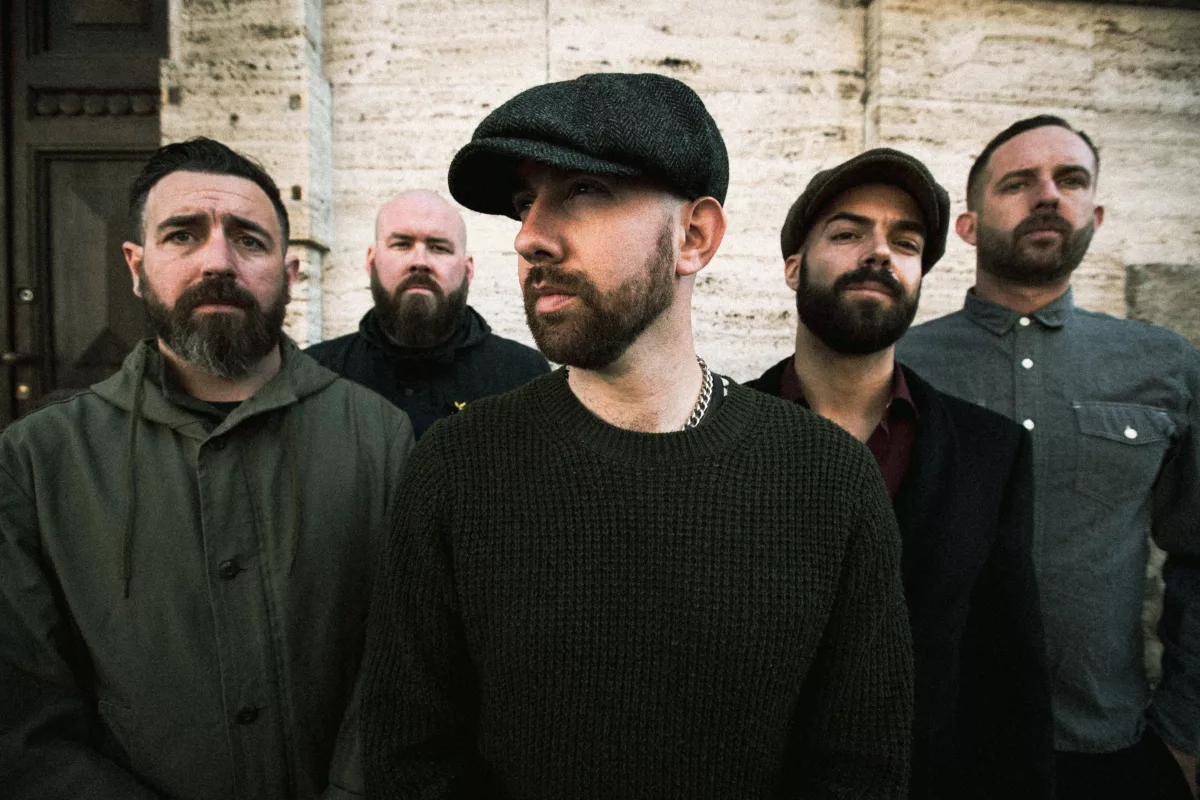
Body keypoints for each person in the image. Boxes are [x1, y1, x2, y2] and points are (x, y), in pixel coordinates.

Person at [360, 72, 914, 799]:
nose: (529, 237)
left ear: (694, 237)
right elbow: (409, 758)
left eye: (585, 192)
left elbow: (860, 769)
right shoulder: (457, 467)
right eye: (526, 204)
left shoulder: (828, 481)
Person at [0, 137, 414, 799]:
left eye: (249, 240)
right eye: (183, 235)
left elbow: (402, 665)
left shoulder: (378, 438)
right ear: (136, 265)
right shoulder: (39, 461)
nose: (218, 261)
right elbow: (24, 720)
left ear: (291, 273)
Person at [898, 116, 1200, 800]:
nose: (1047, 196)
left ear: (1096, 215)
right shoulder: (900, 365)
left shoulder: (1164, 365)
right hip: (940, 749)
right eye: (1018, 183)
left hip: (1111, 748)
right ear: (969, 227)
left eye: (1070, 180)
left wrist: (1184, 735)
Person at [747, 148, 1054, 799]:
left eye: (905, 243)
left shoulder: (991, 453)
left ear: (918, 278)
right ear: (794, 267)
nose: (880, 253)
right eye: (848, 233)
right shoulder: (714, 431)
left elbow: (1009, 672)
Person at [307, 190, 548, 438]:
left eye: (439, 248)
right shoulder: (319, 373)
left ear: (467, 270)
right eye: (402, 244)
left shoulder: (522, 375)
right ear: (371, 261)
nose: (420, 261)